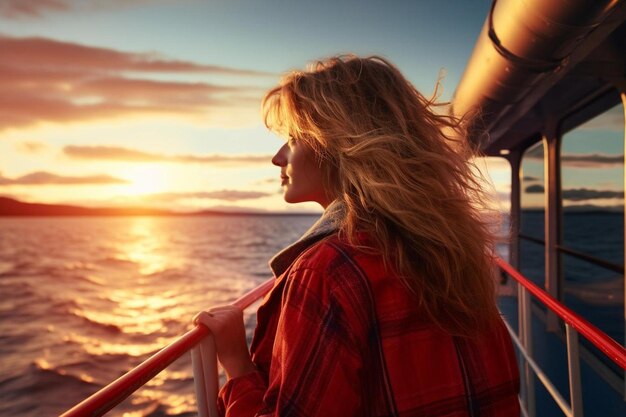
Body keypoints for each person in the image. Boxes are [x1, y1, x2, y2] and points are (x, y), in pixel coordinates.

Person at [194, 55, 520, 416]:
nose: (277, 157)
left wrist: (238, 367)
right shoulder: (452, 249)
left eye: (292, 137)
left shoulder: (327, 273)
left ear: (339, 145)